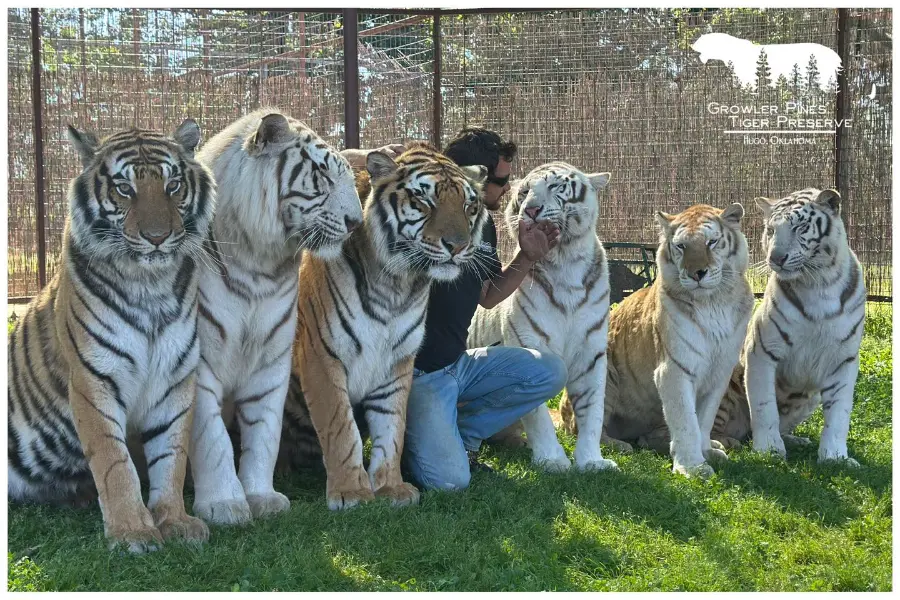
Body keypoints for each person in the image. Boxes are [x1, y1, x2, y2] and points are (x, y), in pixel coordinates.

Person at [399, 127, 568, 491]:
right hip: (417, 375)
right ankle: (416, 443)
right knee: (451, 482)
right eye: (500, 180)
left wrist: (527, 256)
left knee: (549, 370)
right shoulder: (417, 221)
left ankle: (463, 434)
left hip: (457, 365)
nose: (507, 188)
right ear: (472, 174)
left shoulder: (483, 224)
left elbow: (488, 296)